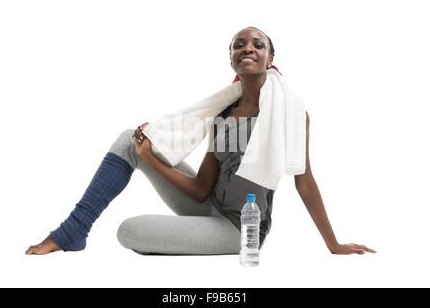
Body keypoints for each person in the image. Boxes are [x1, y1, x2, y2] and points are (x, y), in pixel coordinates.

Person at [25, 26, 376, 256]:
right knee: (131, 139)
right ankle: (73, 230)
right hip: (207, 207)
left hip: (239, 228)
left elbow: (305, 181)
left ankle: (180, 238)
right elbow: (200, 188)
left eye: (258, 44)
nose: (248, 48)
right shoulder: (223, 114)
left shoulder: (289, 112)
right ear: (232, 59)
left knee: (128, 231)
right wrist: (148, 156)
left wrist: (333, 244)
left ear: (271, 58)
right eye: (239, 45)